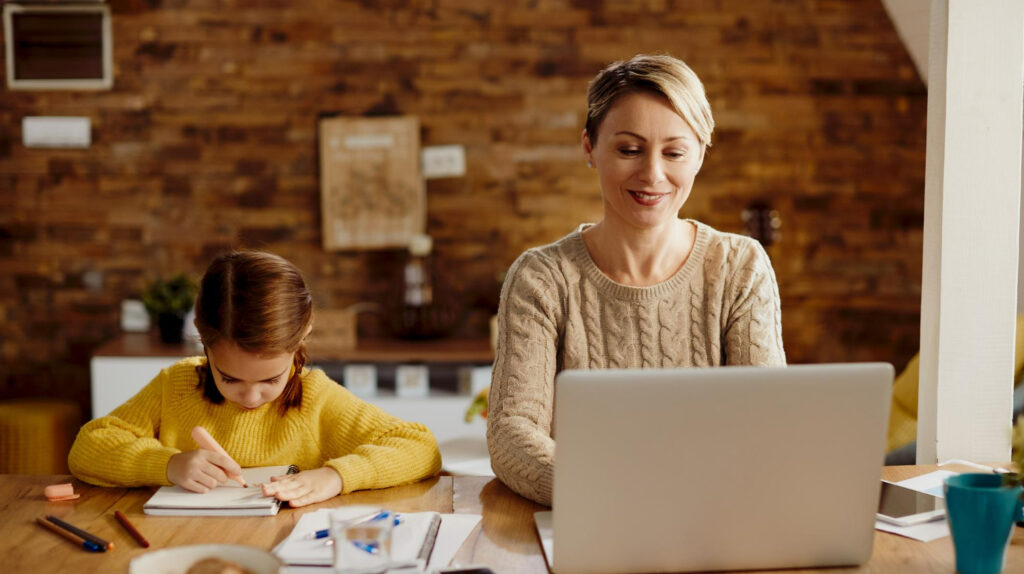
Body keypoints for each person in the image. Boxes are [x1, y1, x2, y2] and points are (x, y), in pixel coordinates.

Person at [487, 54, 786, 505]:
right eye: (629, 150)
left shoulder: (740, 267)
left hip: (713, 512)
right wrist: (614, 493)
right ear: (589, 147)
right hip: (591, 511)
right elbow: (512, 433)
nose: (652, 174)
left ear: (701, 153)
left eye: (674, 152)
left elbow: (765, 422)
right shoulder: (540, 279)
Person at [69, 250, 441, 507]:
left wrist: (336, 476)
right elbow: (88, 449)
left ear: (302, 337)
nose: (250, 397)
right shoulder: (176, 385)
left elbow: (421, 448)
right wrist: (167, 465)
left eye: (270, 380)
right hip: (188, 552)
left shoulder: (315, 396)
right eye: (229, 379)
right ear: (202, 337)